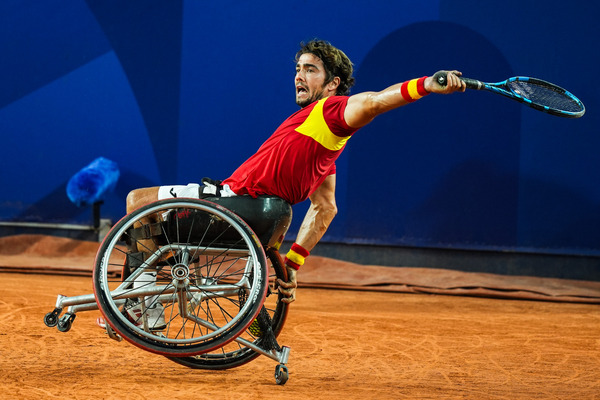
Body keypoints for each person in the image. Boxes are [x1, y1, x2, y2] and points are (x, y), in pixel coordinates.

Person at [126, 40, 466, 312]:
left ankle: (141, 305)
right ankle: (148, 291)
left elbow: (375, 102)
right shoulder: (322, 145)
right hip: (262, 217)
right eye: (298, 69)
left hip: (235, 204)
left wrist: (426, 85)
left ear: (332, 85)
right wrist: (292, 262)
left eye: (311, 69)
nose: (299, 76)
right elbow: (325, 208)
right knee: (155, 230)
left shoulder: (331, 110)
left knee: (138, 201)